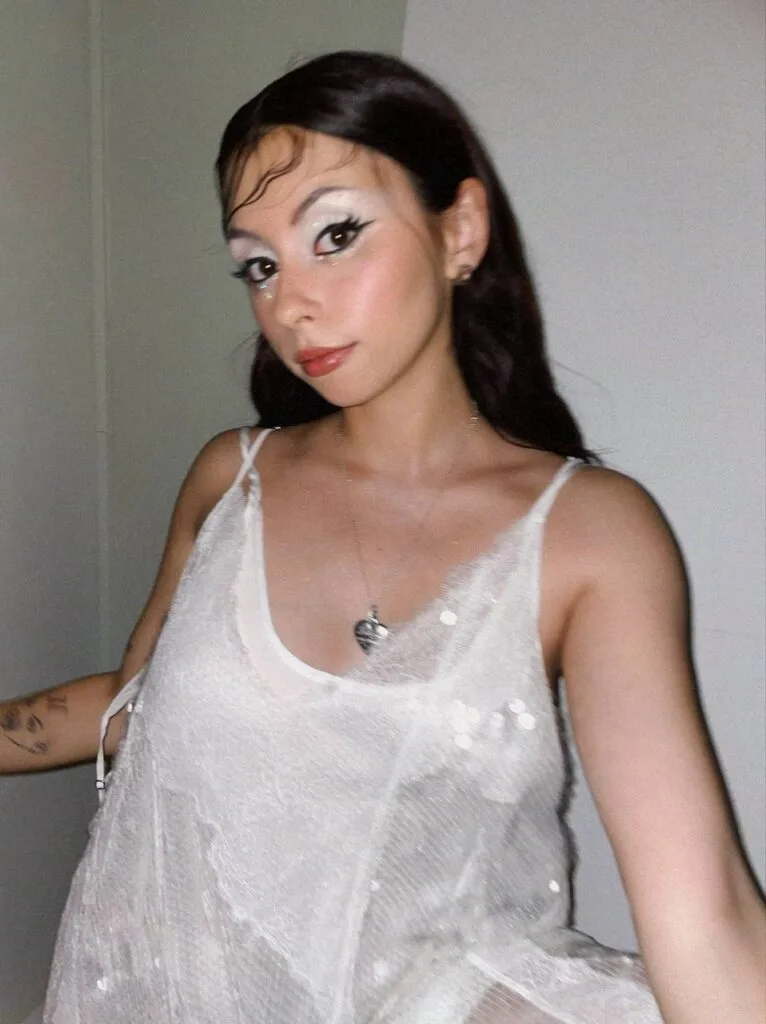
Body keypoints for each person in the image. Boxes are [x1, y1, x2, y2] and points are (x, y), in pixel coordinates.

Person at [1, 50, 764, 1024]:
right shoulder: (231, 479)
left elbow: (703, 923)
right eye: (260, 265)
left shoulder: (591, 536)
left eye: (337, 235)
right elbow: (133, 706)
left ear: (460, 230)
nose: (289, 303)